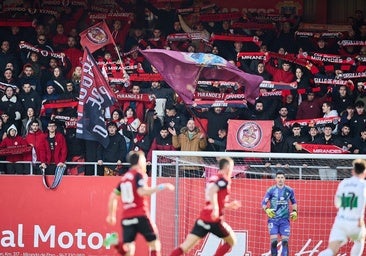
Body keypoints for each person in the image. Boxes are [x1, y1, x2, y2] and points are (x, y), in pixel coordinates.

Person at [106, 150, 175, 256]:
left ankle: (115, 242)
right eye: (143, 160)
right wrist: (161, 187)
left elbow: (113, 196)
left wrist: (111, 215)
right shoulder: (139, 174)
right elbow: (141, 191)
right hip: (140, 215)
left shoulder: (124, 178)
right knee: (154, 244)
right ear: (139, 161)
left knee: (128, 250)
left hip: (126, 217)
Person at [169, 157, 241, 256]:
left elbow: (215, 198)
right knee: (231, 241)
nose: (232, 170)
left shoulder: (213, 178)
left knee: (185, 247)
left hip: (203, 218)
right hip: (214, 220)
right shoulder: (223, 179)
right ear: (227, 167)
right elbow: (212, 192)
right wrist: (215, 208)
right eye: (232, 168)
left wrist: (228, 206)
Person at [319, 159, 366, 256]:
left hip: (341, 220)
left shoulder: (344, 183)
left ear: (352, 171)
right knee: (359, 241)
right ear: (364, 172)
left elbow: (337, 203)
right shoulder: (363, 185)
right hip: (355, 221)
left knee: (331, 250)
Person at [261, 170, 298, 256]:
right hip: (273, 220)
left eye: (282, 177)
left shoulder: (289, 190)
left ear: (284, 179)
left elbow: (294, 202)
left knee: (285, 242)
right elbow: (263, 203)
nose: (280, 179)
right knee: (274, 242)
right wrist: (266, 209)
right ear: (275, 179)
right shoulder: (271, 190)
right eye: (278, 178)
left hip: (285, 220)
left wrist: (295, 211)